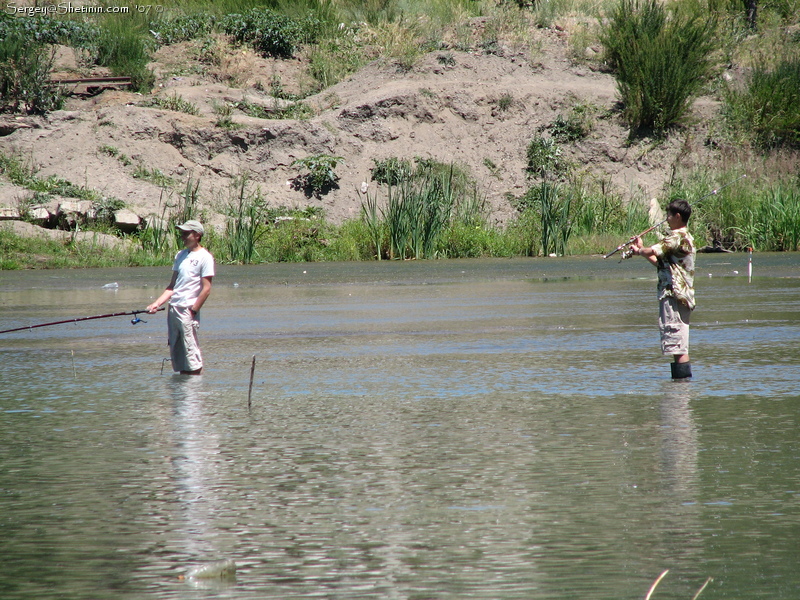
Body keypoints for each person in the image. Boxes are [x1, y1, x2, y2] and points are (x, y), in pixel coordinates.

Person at [630, 199, 696, 379]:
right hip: (677, 295)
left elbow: (652, 251)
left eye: (668, 215)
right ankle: (680, 389)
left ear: (677, 216)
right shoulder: (681, 238)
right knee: (678, 345)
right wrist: (642, 249)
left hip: (674, 295)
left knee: (678, 345)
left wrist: (638, 251)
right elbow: (659, 262)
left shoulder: (678, 237)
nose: (666, 219)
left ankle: (680, 392)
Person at [147, 220, 214, 375]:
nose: (182, 237)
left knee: (190, 350)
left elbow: (206, 289)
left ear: (197, 235)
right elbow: (172, 286)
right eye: (182, 233)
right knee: (177, 350)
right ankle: (182, 392)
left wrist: (193, 310)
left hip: (187, 309)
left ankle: (194, 390)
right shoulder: (181, 255)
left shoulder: (205, 257)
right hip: (173, 308)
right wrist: (156, 304)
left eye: (186, 233)